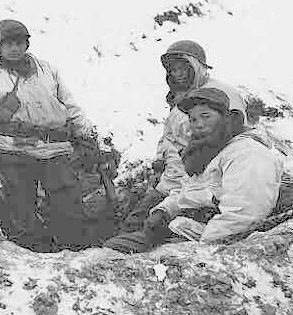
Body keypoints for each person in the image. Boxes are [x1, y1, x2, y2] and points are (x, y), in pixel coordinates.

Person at [0, 19, 96, 251]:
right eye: (9, 43)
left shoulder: (47, 71)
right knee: (20, 210)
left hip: (55, 150)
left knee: (68, 207)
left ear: (26, 44)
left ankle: (75, 254)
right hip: (13, 152)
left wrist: (85, 133)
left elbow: (69, 105)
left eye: (19, 42)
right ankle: (33, 256)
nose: (14, 48)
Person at [103, 87, 283, 252]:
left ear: (225, 117)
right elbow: (187, 191)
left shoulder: (248, 153)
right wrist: (163, 211)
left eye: (206, 116)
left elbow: (242, 216)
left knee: (114, 253)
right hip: (183, 229)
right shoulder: (208, 152)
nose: (198, 124)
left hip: (208, 241)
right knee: (113, 247)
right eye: (193, 119)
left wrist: (196, 251)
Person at [121, 40, 247, 232]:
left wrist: (196, 173)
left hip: (193, 185)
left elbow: (231, 136)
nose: (177, 74)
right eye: (172, 70)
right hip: (170, 181)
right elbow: (170, 137)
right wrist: (159, 162)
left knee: (141, 228)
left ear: (196, 67)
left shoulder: (221, 94)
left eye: (183, 68)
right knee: (135, 223)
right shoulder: (181, 99)